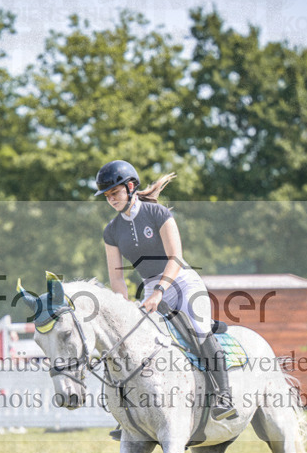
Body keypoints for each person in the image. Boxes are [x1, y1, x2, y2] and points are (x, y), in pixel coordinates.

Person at [96, 159, 236, 422]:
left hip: (181, 281)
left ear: (130, 186)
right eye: (107, 195)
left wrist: (160, 292)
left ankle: (223, 395)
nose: (111, 199)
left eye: (114, 192)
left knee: (199, 331)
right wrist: (122, 311)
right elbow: (116, 278)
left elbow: (176, 258)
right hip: (149, 285)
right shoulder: (111, 231)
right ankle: (129, 412)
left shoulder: (158, 214)